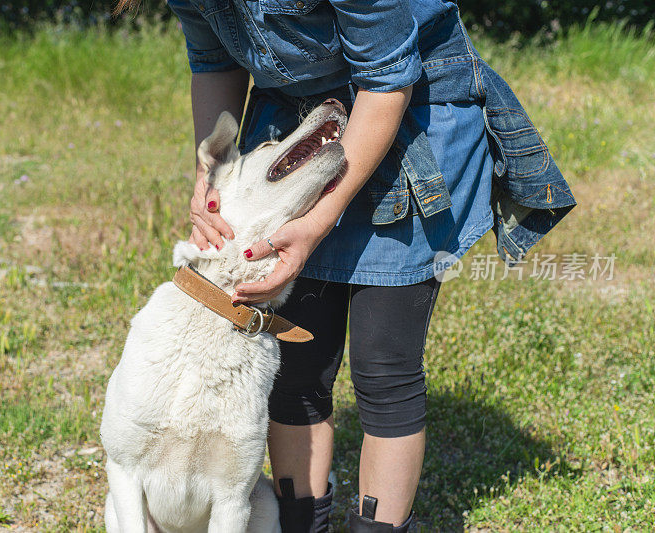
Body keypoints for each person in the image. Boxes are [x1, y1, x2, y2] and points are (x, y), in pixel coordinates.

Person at [115, 0, 576, 531]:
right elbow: (213, 59)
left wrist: (318, 221)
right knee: (299, 367)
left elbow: (387, 82)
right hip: (299, 128)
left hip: (409, 116)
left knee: (384, 365)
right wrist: (210, 176)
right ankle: (301, 521)